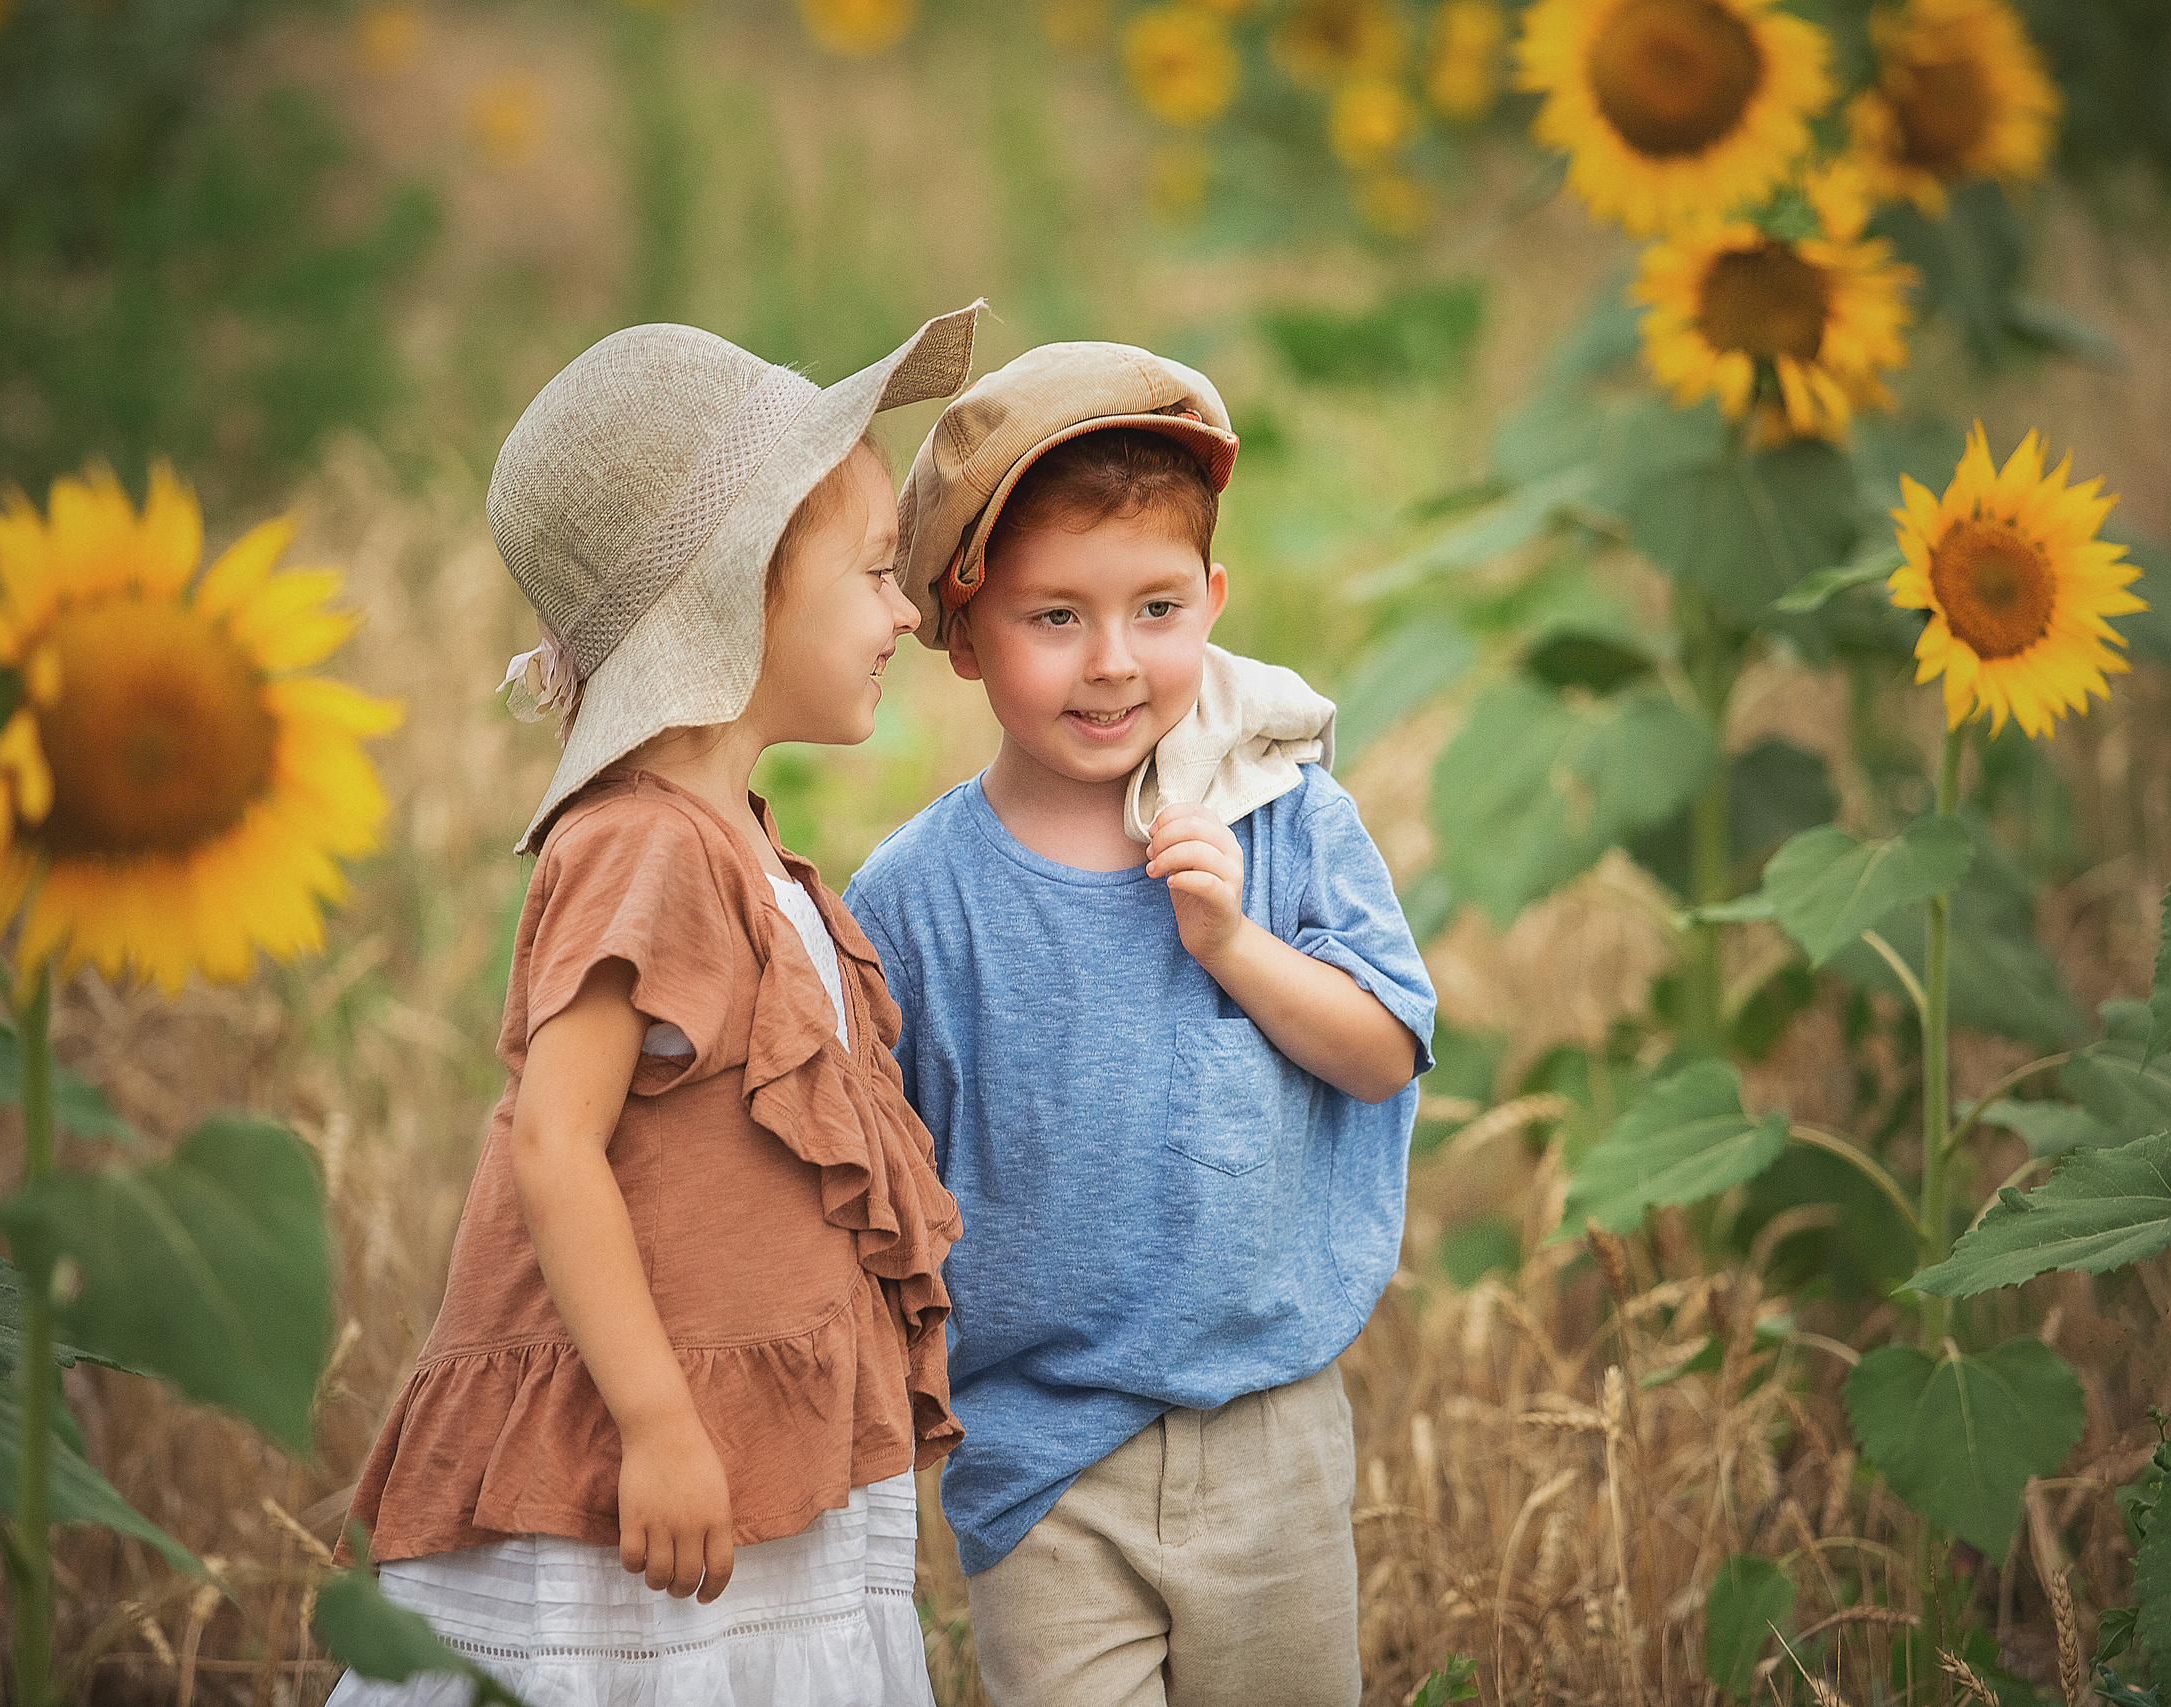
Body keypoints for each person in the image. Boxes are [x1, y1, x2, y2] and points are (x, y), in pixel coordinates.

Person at [329, 304, 981, 1706]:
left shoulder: (738, 839)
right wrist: (657, 1421)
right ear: (743, 589)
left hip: (758, 1446)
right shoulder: (645, 846)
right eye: (874, 573)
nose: (906, 611)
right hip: (653, 1464)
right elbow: (553, 1144)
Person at [844, 342, 1437, 1706]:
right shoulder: (918, 901)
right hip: (1042, 1457)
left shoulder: (1286, 822)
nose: (1113, 664)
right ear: (965, 622)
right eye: (1057, 618)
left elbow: (1384, 1052)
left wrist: (1233, 944)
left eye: (1158, 608)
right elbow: (882, 1178)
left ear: (1215, 601)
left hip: (1269, 1425)